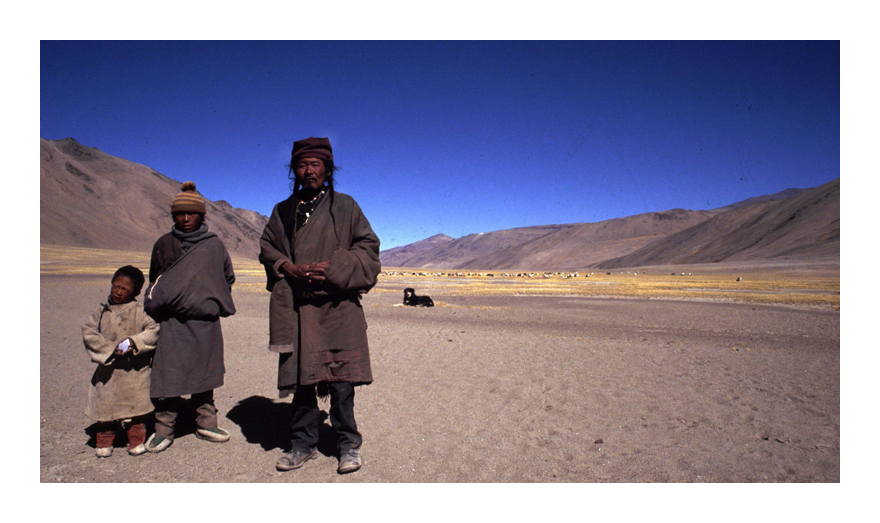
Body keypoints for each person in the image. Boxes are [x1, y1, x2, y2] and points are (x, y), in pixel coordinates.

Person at [259, 137, 380, 474]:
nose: (308, 170)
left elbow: (369, 247)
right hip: (299, 309)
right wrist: (288, 267)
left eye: (315, 164)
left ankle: (348, 445)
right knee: (302, 382)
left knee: (342, 383)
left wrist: (337, 267)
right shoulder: (282, 211)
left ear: (328, 169)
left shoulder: (346, 207)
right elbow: (268, 247)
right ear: (294, 170)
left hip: (338, 307)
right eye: (302, 164)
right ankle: (303, 445)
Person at [143, 181, 236, 453]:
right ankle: (164, 430)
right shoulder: (163, 244)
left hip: (205, 322)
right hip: (171, 322)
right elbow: (157, 280)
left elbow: (226, 277)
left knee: (205, 374)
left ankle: (206, 423)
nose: (184, 219)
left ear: (202, 216)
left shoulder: (214, 246)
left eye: (191, 214)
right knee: (168, 376)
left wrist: (204, 295)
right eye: (179, 214)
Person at [82, 265, 159, 457]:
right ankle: (105, 439)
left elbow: (154, 331)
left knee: (137, 406)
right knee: (105, 406)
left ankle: (135, 440)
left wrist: (134, 342)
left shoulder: (141, 312)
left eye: (125, 289)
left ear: (137, 291)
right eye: (115, 286)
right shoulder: (100, 312)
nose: (118, 292)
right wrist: (110, 350)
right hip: (108, 370)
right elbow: (89, 332)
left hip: (135, 371)